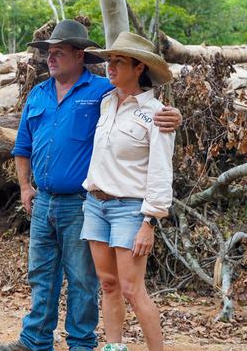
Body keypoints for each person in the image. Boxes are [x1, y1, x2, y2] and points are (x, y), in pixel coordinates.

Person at [0, 20, 181, 351]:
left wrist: (174, 116)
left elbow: (145, 105)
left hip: (84, 202)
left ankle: (81, 344)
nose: (50, 59)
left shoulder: (100, 91)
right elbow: (22, 146)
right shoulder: (44, 94)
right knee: (44, 274)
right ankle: (35, 340)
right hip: (48, 202)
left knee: (85, 280)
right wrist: (25, 187)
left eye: (58, 52)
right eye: (48, 53)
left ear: (80, 55)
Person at [79, 32, 175, 351]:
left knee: (133, 289)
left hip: (130, 210)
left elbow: (161, 171)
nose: (111, 66)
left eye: (119, 61)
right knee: (108, 284)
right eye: (110, 60)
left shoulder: (156, 113)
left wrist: (149, 222)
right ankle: (114, 346)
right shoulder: (107, 102)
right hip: (95, 205)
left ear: (139, 68)